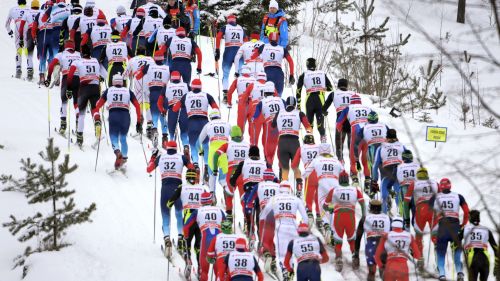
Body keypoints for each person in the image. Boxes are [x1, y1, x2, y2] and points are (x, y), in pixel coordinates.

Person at [146, 141, 194, 257]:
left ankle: (167, 239)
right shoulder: (181, 157)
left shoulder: (160, 157)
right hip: (178, 189)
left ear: (167, 148)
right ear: (176, 148)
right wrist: (187, 158)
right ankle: (180, 238)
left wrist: (153, 157)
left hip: (165, 189)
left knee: (166, 216)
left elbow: (148, 169)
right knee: (179, 215)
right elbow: (192, 169)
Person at [260, 181, 309, 281]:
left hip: (280, 227)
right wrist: (304, 227)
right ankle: (290, 270)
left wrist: (263, 222)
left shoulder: (274, 198)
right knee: (290, 251)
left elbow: (264, 213)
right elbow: (305, 217)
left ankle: (286, 271)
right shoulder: (295, 199)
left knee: (282, 253)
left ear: (280, 189)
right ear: (289, 189)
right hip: (294, 227)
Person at [93, 73, 142, 169]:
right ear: (122, 82)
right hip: (125, 115)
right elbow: (137, 105)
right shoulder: (128, 91)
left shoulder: (109, 90)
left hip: (113, 114)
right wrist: (139, 121)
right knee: (123, 138)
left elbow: (98, 105)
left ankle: (117, 152)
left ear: (113, 82)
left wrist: (97, 115)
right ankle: (124, 158)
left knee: (113, 137)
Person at [166, 168, 206, 276]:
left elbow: (171, 201)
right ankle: (200, 268)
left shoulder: (182, 187)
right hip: (200, 219)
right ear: (195, 177)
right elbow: (209, 201)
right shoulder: (202, 188)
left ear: (187, 177)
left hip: (188, 219)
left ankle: (188, 260)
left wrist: (169, 205)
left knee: (187, 243)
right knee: (198, 245)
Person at [323, 171, 366, 271]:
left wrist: (331, 209)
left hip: (338, 217)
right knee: (351, 240)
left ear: (339, 180)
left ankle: (338, 260)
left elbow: (325, 206)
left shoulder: (334, 190)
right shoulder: (355, 189)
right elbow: (363, 203)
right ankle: (355, 258)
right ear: (348, 179)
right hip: (350, 217)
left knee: (338, 242)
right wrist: (364, 216)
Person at [429, 178, 470, 281]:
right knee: (456, 252)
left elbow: (429, 212)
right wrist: (463, 224)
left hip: (442, 226)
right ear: (450, 186)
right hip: (455, 226)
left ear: (441, 187)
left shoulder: (435, 197)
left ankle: (442, 274)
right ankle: (460, 273)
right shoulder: (458, 196)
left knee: (441, 252)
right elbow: (466, 211)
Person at [65, 44, 106, 146]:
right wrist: (100, 78)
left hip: (83, 88)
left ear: (82, 53)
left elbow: (70, 76)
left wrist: (69, 89)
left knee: (82, 113)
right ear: (90, 53)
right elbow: (104, 73)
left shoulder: (77, 61)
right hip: (95, 87)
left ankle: (79, 139)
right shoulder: (95, 61)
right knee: (95, 109)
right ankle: (97, 122)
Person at [172, 79, 219, 166]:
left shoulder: (186, 96)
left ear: (192, 87)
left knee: (193, 145)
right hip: (204, 122)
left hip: (191, 122)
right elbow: (216, 108)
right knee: (205, 145)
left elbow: (175, 109)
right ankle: (206, 164)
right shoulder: (207, 95)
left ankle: (196, 164)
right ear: (201, 87)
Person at [302, 143, 344, 234]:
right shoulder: (336, 161)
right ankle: (334, 229)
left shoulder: (317, 160)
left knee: (322, 208)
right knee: (334, 208)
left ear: (320, 151)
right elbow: (343, 173)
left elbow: (306, 173)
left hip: (322, 185)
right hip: (335, 186)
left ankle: (326, 226)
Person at [229, 145, 266, 245]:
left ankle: (251, 233)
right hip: (260, 192)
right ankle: (261, 241)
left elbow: (233, 178)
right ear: (259, 154)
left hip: (249, 192)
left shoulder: (243, 163)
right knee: (259, 215)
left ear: (249, 154)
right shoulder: (264, 163)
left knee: (248, 213)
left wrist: (232, 183)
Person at [212, 125, 250, 220]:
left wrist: (215, 169)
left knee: (229, 194)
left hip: (231, 172)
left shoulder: (228, 144)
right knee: (244, 197)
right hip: (243, 174)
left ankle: (229, 217)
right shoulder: (247, 145)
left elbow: (216, 155)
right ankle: (247, 220)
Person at [272, 96, 312, 182]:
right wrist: (309, 136)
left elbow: (273, 125)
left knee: (284, 166)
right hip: (294, 142)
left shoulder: (279, 112)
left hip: (282, 141)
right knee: (295, 167)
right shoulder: (299, 113)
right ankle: (299, 185)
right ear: (295, 104)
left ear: (286, 104)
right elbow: (308, 127)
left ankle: (283, 184)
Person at [135, 49, 170, 148]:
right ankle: (165, 139)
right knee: (163, 115)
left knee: (154, 113)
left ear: (154, 59)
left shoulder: (149, 66)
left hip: (153, 93)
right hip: (164, 93)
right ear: (163, 59)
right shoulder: (167, 68)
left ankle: (154, 130)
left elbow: (138, 77)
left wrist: (142, 71)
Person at [46, 40, 81, 135]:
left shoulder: (61, 54)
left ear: (65, 46)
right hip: (78, 79)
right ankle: (78, 125)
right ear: (73, 47)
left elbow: (51, 65)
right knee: (76, 103)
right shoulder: (79, 54)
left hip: (66, 78)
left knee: (64, 101)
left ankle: (63, 124)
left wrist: (49, 77)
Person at [295, 58, 333, 143]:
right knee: (320, 124)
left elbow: (298, 90)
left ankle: (310, 142)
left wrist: (298, 105)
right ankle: (323, 142)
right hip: (320, 99)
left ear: (307, 65)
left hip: (310, 99)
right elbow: (330, 88)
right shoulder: (322, 73)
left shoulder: (304, 74)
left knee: (309, 123)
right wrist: (321, 87)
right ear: (315, 64)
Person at [336, 94, 372, 183]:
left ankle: (355, 177)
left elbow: (339, 123)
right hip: (368, 135)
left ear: (351, 101)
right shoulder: (368, 108)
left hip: (356, 135)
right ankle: (367, 178)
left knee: (354, 159)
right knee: (365, 160)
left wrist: (340, 129)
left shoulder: (348, 108)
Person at [374, 217, 424, 281]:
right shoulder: (409, 236)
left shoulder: (386, 236)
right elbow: (417, 255)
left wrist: (381, 266)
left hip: (390, 267)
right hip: (403, 268)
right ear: (402, 225)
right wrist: (414, 255)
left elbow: (377, 256)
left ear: (392, 225)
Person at [371, 129, 407, 213]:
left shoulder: (381, 147)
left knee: (384, 195)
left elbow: (375, 164)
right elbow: (409, 159)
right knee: (398, 194)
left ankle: (385, 213)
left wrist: (374, 180)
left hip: (386, 175)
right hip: (397, 175)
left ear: (386, 137)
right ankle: (401, 214)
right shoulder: (402, 146)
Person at [403, 167, 438, 253]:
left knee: (418, 235)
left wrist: (407, 218)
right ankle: (438, 258)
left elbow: (406, 202)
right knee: (435, 236)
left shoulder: (414, 184)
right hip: (433, 210)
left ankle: (420, 259)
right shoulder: (435, 183)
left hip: (420, 210)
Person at [198, 109, 231, 198]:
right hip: (225, 151)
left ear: (210, 117)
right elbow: (235, 137)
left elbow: (198, 142)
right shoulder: (227, 124)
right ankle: (226, 191)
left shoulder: (208, 125)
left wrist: (200, 151)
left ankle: (212, 195)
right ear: (219, 116)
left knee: (212, 174)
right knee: (223, 177)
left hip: (213, 152)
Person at [354, 199, 391, 281]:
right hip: (384, 246)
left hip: (371, 245)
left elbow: (358, 237)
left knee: (371, 272)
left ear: (370, 207)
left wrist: (356, 254)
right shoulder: (388, 218)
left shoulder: (365, 218)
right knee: (384, 269)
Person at [291, 134, 321, 229]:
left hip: (310, 174)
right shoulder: (319, 147)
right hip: (321, 173)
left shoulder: (302, 148)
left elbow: (294, 164)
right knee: (318, 198)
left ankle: (309, 217)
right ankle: (319, 217)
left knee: (308, 198)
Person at [194, 192, 226, 281]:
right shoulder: (219, 210)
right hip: (218, 241)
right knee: (219, 272)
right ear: (211, 201)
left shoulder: (198, 211)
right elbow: (227, 225)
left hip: (205, 241)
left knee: (204, 271)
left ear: (201, 201)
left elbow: (187, 226)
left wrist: (186, 236)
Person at [124, 46, 154, 137]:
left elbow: (125, 75)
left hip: (138, 81)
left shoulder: (132, 60)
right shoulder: (150, 59)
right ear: (144, 52)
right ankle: (149, 126)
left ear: (136, 52)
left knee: (139, 104)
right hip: (149, 81)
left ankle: (140, 125)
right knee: (148, 103)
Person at [252, 32, 294, 96]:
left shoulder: (263, 47)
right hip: (278, 74)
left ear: (269, 39)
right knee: (278, 96)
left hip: (267, 72)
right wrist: (291, 75)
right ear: (278, 39)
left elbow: (253, 57)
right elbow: (291, 61)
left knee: (267, 96)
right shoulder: (282, 49)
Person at [252, 81, 284, 166]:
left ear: (265, 92)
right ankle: (282, 172)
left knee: (269, 151)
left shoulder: (262, 102)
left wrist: (253, 119)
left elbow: (255, 115)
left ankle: (269, 168)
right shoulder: (281, 100)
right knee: (281, 150)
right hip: (282, 126)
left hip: (270, 127)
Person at [322, 78, 354, 162]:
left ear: (338, 86)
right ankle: (353, 168)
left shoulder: (334, 94)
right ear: (347, 86)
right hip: (352, 122)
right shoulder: (353, 94)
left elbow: (324, 107)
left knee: (339, 145)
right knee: (351, 146)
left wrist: (324, 112)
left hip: (340, 121)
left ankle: (340, 162)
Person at [463, 210, 499, 281]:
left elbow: (455, 243)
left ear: (470, 218)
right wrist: (497, 266)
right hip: (485, 259)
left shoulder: (465, 228)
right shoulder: (486, 230)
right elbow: (496, 249)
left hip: (472, 258)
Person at [255, 168, 279, 276]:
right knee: (270, 237)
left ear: (264, 177)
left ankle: (267, 253)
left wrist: (249, 204)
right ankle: (273, 259)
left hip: (264, 214)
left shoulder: (260, 185)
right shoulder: (278, 186)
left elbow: (249, 198)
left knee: (263, 237)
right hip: (275, 215)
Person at [215, 14, 247, 94]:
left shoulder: (225, 27)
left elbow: (218, 37)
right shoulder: (240, 28)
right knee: (240, 74)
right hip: (239, 51)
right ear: (235, 20)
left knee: (226, 74)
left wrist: (217, 49)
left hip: (229, 51)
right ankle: (241, 94)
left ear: (228, 20)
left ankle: (225, 93)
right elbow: (246, 39)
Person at [158, 71, 190, 149]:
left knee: (172, 133)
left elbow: (159, 102)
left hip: (172, 110)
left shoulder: (167, 86)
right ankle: (185, 146)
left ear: (171, 79)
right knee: (184, 133)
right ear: (180, 78)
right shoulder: (186, 85)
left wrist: (163, 111)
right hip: (183, 110)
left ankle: (171, 148)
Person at [359, 111, 389, 189]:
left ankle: (373, 189)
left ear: (368, 119)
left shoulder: (365, 127)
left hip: (372, 149)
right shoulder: (384, 125)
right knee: (384, 170)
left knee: (373, 168)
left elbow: (357, 140)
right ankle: (386, 190)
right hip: (384, 148)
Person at [239, 71, 267, 145]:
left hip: (256, 110)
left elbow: (244, 98)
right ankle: (267, 155)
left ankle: (253, 152)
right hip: (268, 111)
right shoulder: (270, 85)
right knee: (267, 136)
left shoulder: (252, 85)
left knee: (254, 135)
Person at [225, 66, 255, 131]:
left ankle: (239, 139)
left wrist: (229, 103)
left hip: (242, 102)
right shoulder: (254, 79)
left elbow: (229, 92)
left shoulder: (238, 79)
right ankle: (253, 140)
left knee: (240, 127)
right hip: (253, 103)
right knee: (253, 128)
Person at [17, 0, 39, 81]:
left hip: (30, 32)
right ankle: (42, 73)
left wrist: (21, 39)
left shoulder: (27, 12)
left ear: (31, 6)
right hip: (40, 32)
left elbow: (21, 27)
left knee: (29, 53)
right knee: (42, 54)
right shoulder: (42, 11)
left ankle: (30, 72)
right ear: (38, 6)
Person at [396, 149, 419, 220]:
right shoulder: (417, 165)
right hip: (415, 188)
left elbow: (395, 178)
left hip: (404, 189)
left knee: (405, 211)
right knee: (415, 211)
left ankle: (406, 225)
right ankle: (415, 226)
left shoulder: (399, 166)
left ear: (403, 158)